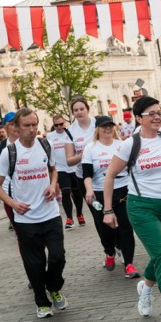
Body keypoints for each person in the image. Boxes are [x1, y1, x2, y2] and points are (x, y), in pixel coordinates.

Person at [103, 96, 161, 322]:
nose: (157, 118)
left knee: (160, 252)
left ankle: (145, 287)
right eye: (151, 114)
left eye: (160, 114)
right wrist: (107, 210)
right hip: (142, 207)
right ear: (138, 118)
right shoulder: (130, 145)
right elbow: (110, 176)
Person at [0, 108, 67, 318]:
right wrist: (12, 203)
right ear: (17, 127)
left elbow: (54, 170)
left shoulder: (45, 144)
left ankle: (54, 286)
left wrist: (53, 185)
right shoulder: (10, 152)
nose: (32, 130)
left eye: (35, 125)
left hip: (50, 213)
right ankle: (42, 303)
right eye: (27, 126)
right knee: (34, 263)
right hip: (25, 218)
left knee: (57, 257)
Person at [82, 115, 138, 278]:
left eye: (110, 126)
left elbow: (131, 168)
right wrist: (89, 190)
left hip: (123, 191)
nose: (107, 129)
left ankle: (129, 264)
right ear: (97, 129)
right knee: (106, 230)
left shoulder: (122, 145)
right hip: (99, 193)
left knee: (126, 228)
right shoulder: (90, 148)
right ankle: (109, 251)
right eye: (104, 126)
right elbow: (87, 173)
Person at [46, 114, 84, 230]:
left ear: (65, 123)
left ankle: (79, 214)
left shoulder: (70, 133)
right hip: (60, 169)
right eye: (56, 125)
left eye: (61, 124)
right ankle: (69, 218)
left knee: (77, 194)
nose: (59, 127)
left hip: (74, 167)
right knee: (66, 192)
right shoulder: (50, 136)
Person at [65, 97, 95, 226]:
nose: (79, 112)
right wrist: (83, 154)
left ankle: (118, 241)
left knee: (110, 207)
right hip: (83, 175)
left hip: (103, 173)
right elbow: (69, 160)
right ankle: (108, 245)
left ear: (87, 109)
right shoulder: (70, 131)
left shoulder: (98, 123)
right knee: (97, 210)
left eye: (82, 109)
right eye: (75, 110)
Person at [0, 111, 19, 230]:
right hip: (10, 196)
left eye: (17, 123)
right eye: (12, 124)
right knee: (21, 233)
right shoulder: (0, 148)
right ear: (6, 126)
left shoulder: (31, 142)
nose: (16, 126)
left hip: (31, 193)